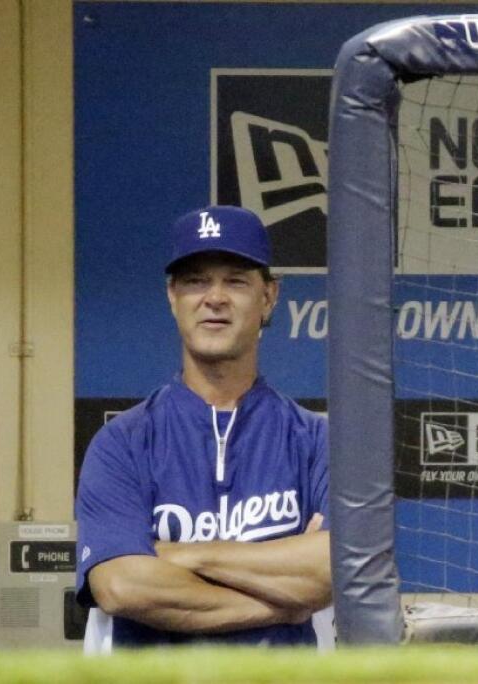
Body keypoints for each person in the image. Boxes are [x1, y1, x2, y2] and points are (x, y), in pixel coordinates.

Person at [75, 206, 330, 648]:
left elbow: (333, 571)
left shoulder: (315, 440)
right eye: (195, 281)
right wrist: (282, 602)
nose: (214, 297)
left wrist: (179, 554)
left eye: (235, 280)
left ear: (269, 297)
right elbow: (120, 586)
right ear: (172, 297)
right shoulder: (123, 443)